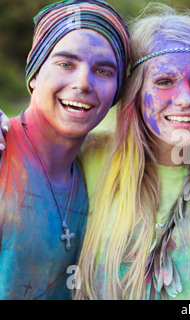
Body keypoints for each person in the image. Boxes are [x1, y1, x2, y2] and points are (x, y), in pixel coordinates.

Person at [74, 4, 190, 300]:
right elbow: (31, 145)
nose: (185, 99)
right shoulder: (91, 156)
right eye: (164, 82)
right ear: (135, 91)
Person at [0, 0, 129, 299]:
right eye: (66, 64)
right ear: (34, 74)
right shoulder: (3, 152)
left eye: (104, 71)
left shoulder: (100, 168)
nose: (83, 83)